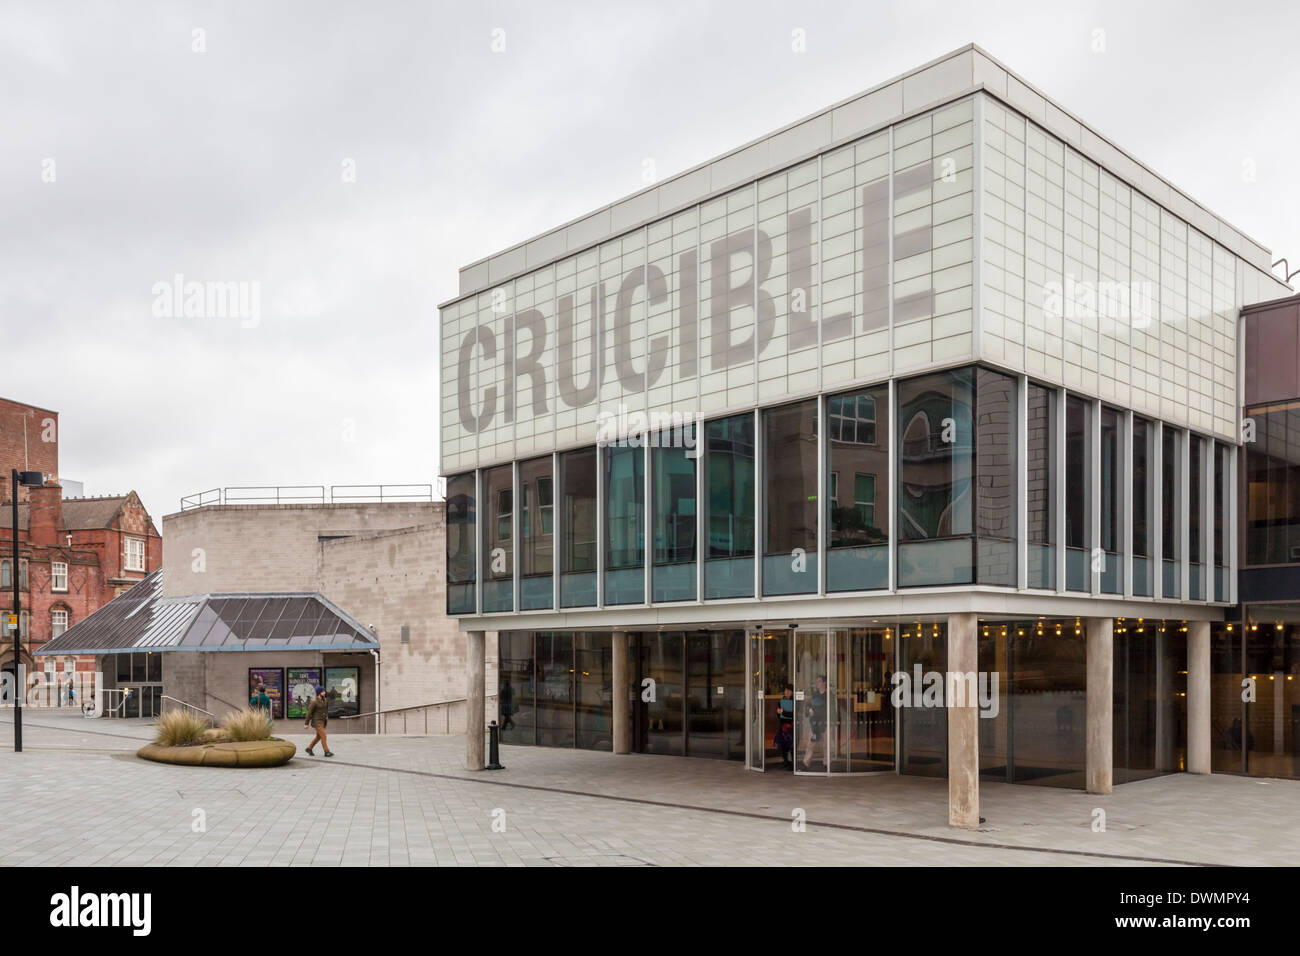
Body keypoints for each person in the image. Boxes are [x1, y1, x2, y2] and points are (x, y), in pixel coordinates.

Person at [801, 675, 828, 771]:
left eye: (819, 681)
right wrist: (809, 710)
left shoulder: (829, 695)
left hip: (825, 722)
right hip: (814, 723)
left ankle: (826, 763)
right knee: (810, 744)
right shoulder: (814, 694)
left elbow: (830, 709)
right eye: (817, 681)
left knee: (826, 744)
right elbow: (808, 706)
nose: (817, 683)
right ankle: (806, 762)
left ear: (824, 682)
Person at [304, 685, 332, 757]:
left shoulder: (325, 700)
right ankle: (326, 751)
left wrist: (326, 716)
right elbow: (309, 713)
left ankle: (309, 748)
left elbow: (326, 710)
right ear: (319, 692)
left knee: (318, 737)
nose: (324, 692)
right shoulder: (314, 702)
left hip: (323, 721)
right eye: (323, 691)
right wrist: (306, 723)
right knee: (324, 736)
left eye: (324, 691)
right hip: (317, 722)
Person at [774, 684, 795, 769]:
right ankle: (786, 762)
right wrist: (779, 712)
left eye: (789, 691)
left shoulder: (795, 701)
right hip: (783, 726)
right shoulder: (782, 700)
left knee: (792, 745)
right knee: (780, 744)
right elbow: (779, 714)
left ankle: (794, 764)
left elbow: (794, 715)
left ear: (792, 693)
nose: (786, 692)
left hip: (792, 726)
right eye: (786, 690)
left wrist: (783, 712)